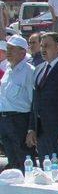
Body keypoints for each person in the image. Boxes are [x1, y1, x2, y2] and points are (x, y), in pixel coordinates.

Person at [26, 32, 58, 162]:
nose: (43, 50)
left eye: (47, 46)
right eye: (42, 46)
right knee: (47, 171)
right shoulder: (38, 69)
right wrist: (32, 128)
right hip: (42, 132)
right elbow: (35, 102)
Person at [0, 35, 35, 170]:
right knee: (12, 159)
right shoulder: (8, 70)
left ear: (23, 52)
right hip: (5, 120)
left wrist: (31, 128)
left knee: (24, 160)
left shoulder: (29, 71)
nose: (8, 52)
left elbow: (34, 103)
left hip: (20, 121)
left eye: (12, 49)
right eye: (7, 48)